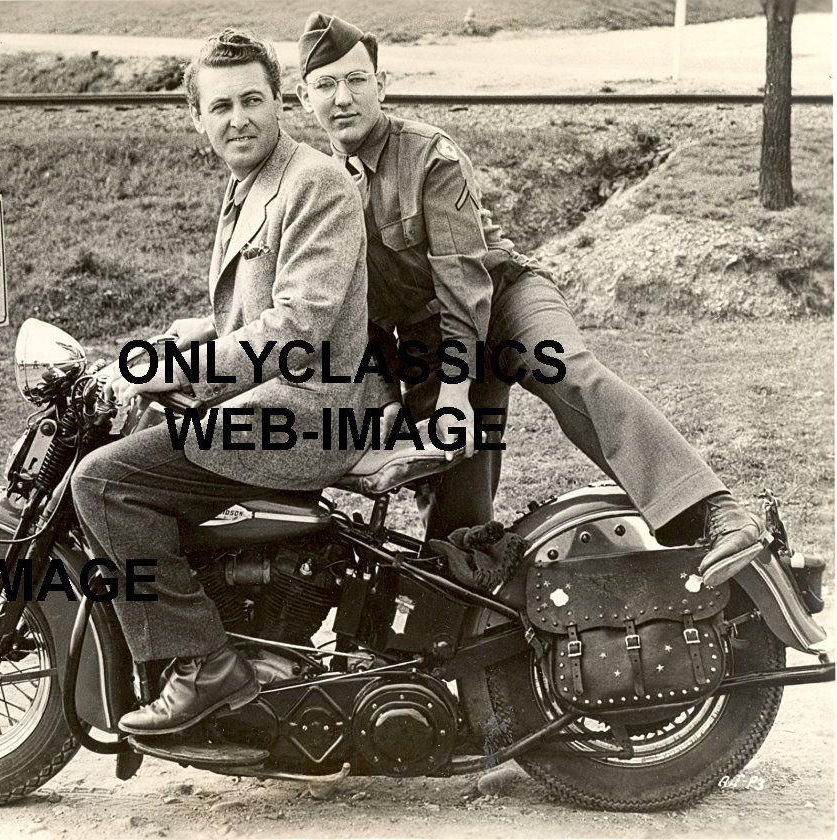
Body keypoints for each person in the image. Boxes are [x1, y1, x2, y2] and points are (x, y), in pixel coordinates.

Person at [295, 12, 764, 588]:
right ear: (304, 96)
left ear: (381, 84)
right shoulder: (322, 185)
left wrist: (453, 392)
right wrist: (385, 392)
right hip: (428, 336)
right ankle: (465, 622)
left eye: (356, 80)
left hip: (504, 299)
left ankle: (715, 512)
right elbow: (354, 308)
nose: (343, 98)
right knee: (452, 471)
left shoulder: (429, 155)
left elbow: (466, 284)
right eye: (326, 85)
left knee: (569, 372)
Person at [71, 28, 370, 737]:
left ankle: (202, 664)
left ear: (280, 103)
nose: (238, 118)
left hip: (309, 410)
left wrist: (165, 371)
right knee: (137, 448)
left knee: (104, 484)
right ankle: (230, 635)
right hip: (268, 398)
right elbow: (248, 315)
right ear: (196, 118)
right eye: (221, 106)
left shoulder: (315, 180)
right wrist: (183, 339)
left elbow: (298, 327)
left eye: (252, 100)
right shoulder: (249, 183)